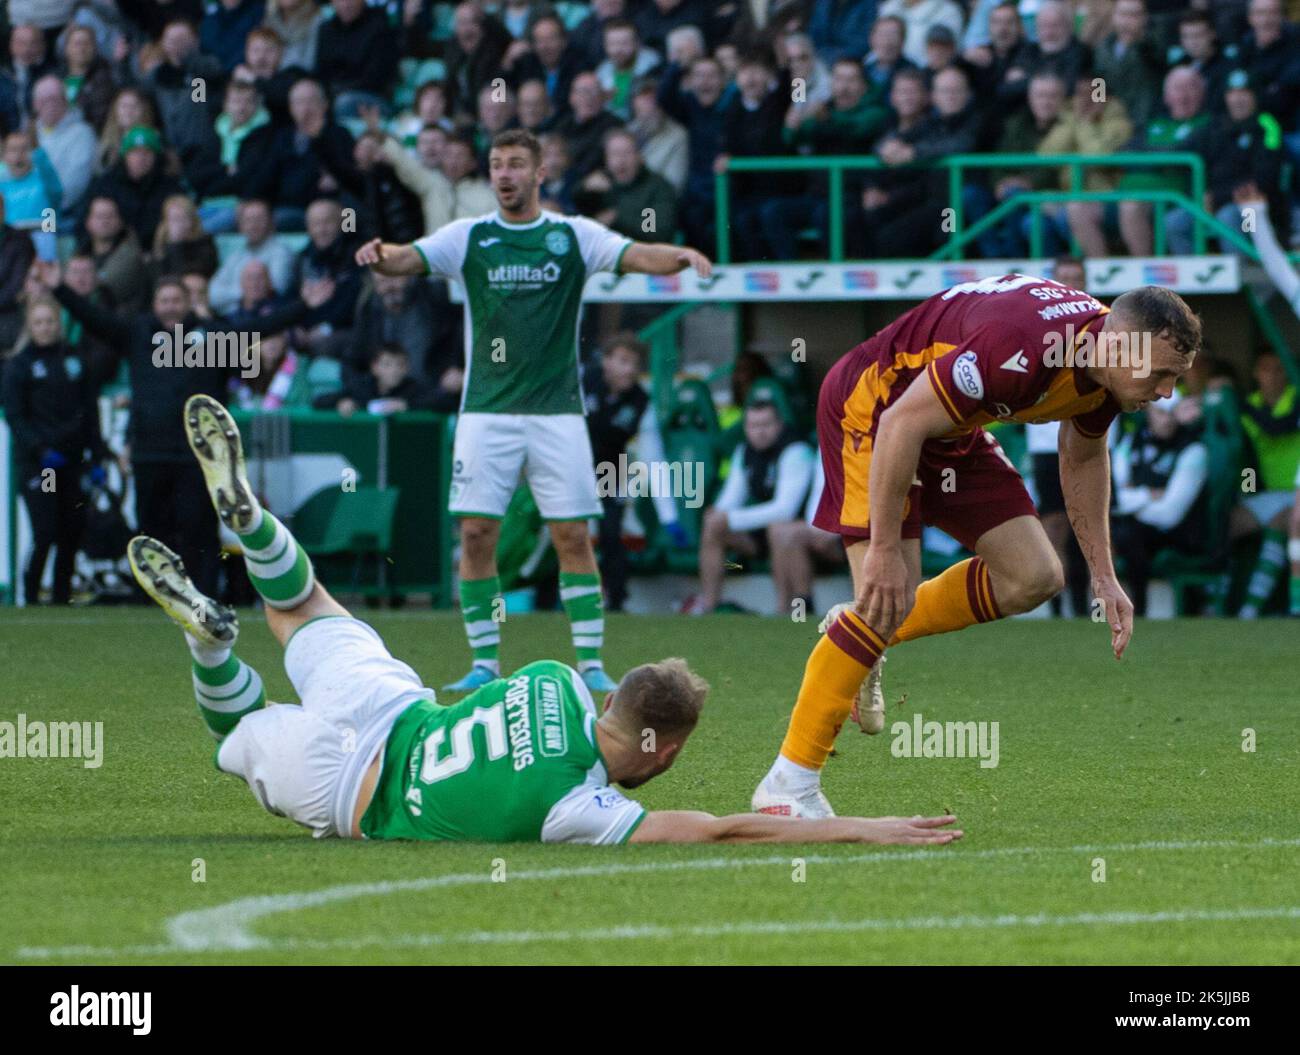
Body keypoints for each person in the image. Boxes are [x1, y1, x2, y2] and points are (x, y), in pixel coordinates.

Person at [126, 394, 963, 848]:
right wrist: (868, 828)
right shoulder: (577, 808)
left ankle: (250, 526)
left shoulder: (552, 680)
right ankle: (209, 639)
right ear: (656, 748)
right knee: (234, 727)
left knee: (299, 602)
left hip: (399, 707)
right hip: (353, 792)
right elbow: (722, 829)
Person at [751, 275, 1201, 818]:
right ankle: (787, 785)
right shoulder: (1020, 346)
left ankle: (865, 627)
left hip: (948, 425)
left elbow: (1082, 457)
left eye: (1176, 379)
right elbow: (899, 423)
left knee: (1034, 577)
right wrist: (885, 551)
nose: (1166, 393)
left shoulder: (1105, 362)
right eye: (1160, 375)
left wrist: (1103, 575)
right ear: (1117, 343)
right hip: (875, 409)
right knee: (889, 589)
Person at [354, 128, 712, 695]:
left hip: (557, 413)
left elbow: (634, 253)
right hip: (486, 413)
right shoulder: (469, 237)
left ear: (539, 173)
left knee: (572, 534)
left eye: (516, 164)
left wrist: (683, 256)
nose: (504, 174)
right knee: (476, 533)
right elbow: (410, 259)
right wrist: (383, 254)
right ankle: (483, 664)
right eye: (496, 164)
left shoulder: (571, 236)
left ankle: (591, 663)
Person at [2, 295, 108, 604]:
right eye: (39, 322)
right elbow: (16, 416)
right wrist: (39, 448)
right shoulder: (19, 366)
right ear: (30, 327)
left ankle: (62, 596)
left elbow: (90, 412)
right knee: (46, 529)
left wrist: (97, 456)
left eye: (50, 322)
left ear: (58, 325)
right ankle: (31, 594)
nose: (45, 328)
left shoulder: (74, 361)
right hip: (44, 466)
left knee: (71, 529)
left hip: (73, 463)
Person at [583, 332, 682, 612]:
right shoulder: (581, 382)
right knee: (565, 532)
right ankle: (552, 598)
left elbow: (654, 458)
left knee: (611, 531)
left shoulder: (640, 402)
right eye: (623, 361)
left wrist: (670, 517)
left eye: (634, 363)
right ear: (606, 361)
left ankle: (616, 600)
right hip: (571, 468)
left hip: (610, 471)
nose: (629, 369)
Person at [689, 400, 815, 615]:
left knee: (779, 529)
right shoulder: (745, 451)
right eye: (753, 426)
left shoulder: (796, 450)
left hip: (801, 533)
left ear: (779, 424)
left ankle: (785, 610)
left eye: (766, 424)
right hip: (760, 534)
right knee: (713, 525)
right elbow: (731, 498)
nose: (760, 432)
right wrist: (720, 514)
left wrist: (730, 518)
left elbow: (786, 510)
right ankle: (709, 605)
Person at [1110, 391, 1209, 617]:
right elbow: (1113, 495)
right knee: (1108, 531)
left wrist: (1130, 498)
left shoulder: (1193, 450)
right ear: (1149, 412)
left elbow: (1170, 514)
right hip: (1135, 528)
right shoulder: (1131, 442)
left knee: (1127, 532)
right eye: (1160, 413)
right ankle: (1098, 610)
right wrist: (1149, 495)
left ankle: (1139, 611)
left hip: (1181, 535)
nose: (1166, 420)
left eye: (1171, 413)